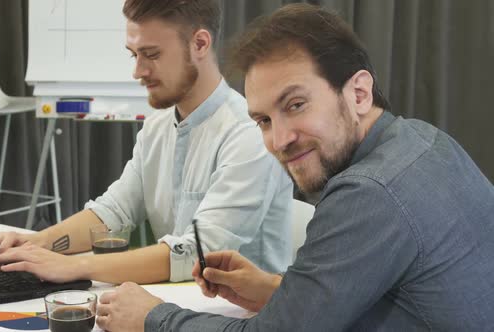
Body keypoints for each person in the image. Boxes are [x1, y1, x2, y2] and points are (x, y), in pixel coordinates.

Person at [95, 3, 494, 331]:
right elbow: (393, 295)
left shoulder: (369, 191)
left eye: (295, 105)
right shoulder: (422, 140)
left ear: (358, 92)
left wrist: (151, 317)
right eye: (264, 121)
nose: (279, 140)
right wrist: (276, 289)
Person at [0, 0, 293, 285]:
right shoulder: (157, 127)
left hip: (242, 319)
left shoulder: (249, 134)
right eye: (133, 54)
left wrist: (74, 266)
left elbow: (198, 252)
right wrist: (38, 243)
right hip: (179, 307)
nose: (137, 71)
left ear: (201, 44)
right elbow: (113, 212)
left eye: (151, 54)